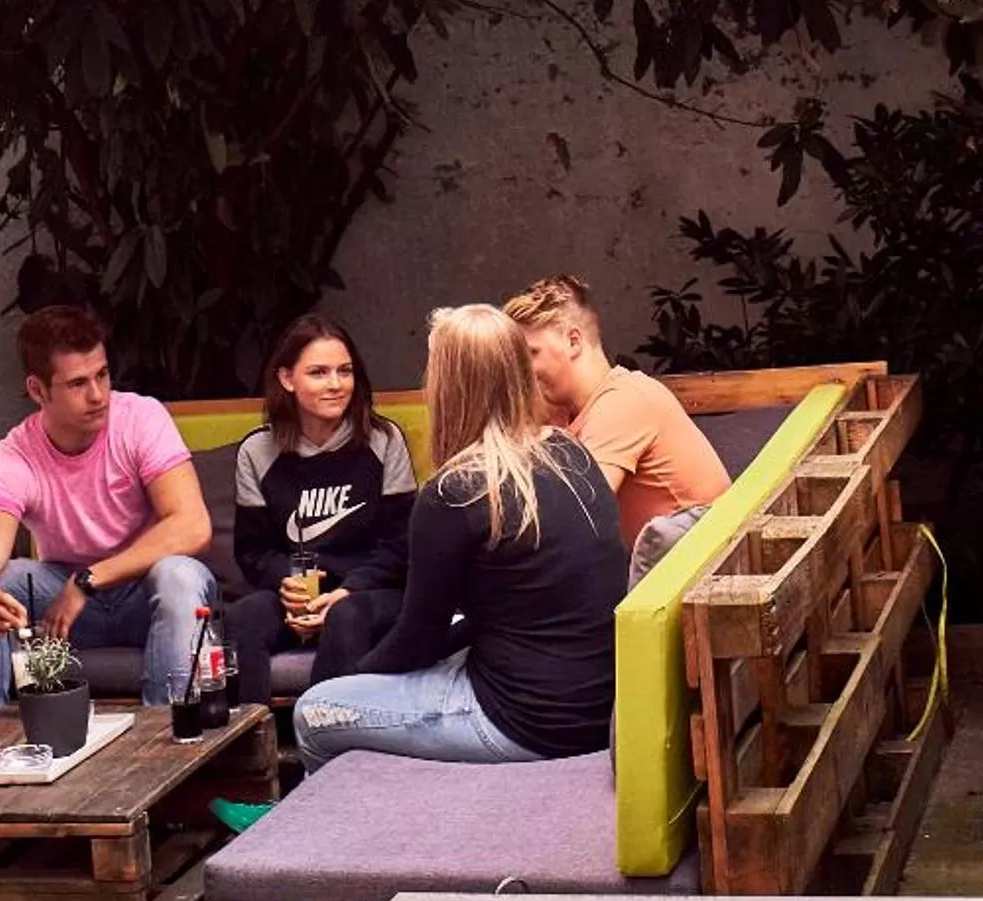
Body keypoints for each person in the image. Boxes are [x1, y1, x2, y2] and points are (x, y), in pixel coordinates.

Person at [292, 302, 625, 772]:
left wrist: (355, 678)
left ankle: (327, 838)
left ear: (448, 387)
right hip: (598, 708)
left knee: (315, 712)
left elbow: (418, 637)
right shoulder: (570, 454)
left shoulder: (457, 491)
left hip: (523, 721)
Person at [0, 302, 218, 721]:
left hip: (143, 595)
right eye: (78, 384)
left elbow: (193, 526)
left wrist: (89, 580)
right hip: (69, 611)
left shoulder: (140, 419)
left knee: (178, 573)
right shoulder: (16, 456)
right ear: (38, 391)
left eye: (102, 375)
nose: (98, 396)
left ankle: (165, 743)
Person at [227, 312, 416, 704]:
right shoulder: (258, 451)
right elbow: (252, 552)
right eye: (319, 372)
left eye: (344, 372)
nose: (336, 384)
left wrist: (348, 590)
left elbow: (402, 546)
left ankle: (324, 741)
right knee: (244, 617)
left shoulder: (383, 440)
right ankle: (249, 750)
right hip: (298, 594)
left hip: (369, 592)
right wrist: (288, 585)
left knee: (346, 618)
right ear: (287, 379)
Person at [504, 272, 731, 550]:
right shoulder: (563, 413)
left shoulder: (624, 400)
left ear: (573, 341)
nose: (522, 371)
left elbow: (576, 515)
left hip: (700, 571)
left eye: (532, 354)